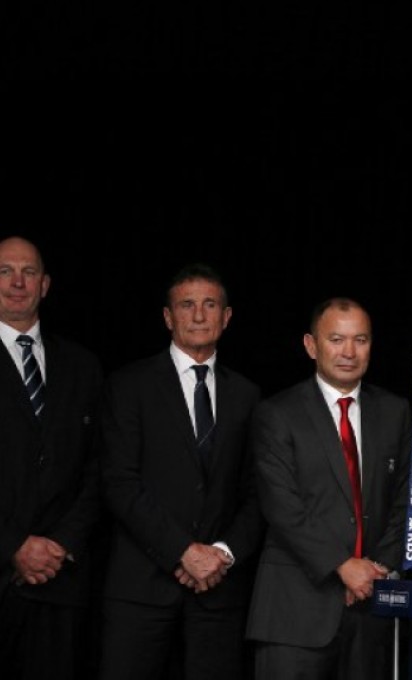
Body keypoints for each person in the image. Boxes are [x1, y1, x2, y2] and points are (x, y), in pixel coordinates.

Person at [98, 263, 262, 680]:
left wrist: (222, 554)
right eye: (187, 305)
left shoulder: (248, 395)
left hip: (218, 592)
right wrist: (183, 551)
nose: (199, 315)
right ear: (168, 317)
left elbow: (257, 493)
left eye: (210, 305)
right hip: (141, 590)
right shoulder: (129, 385)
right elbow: (119, 482)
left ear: (227, 316)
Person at [246, 297, 412, 679]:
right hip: (295, 614)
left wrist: (376, 569)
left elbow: (409, 498)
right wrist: (343, 565)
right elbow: (281, 506)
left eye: (360, 340)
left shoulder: (395, 411)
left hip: (372, 610)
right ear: (311, 345)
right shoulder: (277, 413)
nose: (349, 352)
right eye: (336, 339)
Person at [0, 236, 105, 679]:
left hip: (60, 583)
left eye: (29, 272)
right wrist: (12, 546)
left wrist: (61, 544)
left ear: (44, 285)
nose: (17, 282)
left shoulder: (83, 366)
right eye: (5, 271)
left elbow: (99, 469)